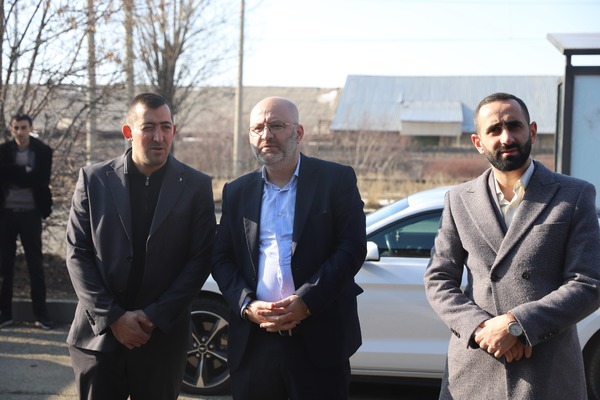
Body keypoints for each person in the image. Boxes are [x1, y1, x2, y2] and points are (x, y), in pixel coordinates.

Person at [424, 92, 600, 399]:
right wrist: (481, 328)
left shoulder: (573, 195)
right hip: (476, 368)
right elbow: (438, 279)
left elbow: (588, 282)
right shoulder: (458, 200)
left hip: (547, 370)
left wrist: (517, 325)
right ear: (478, 142)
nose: (506, 137)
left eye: (514, 126)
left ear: (532, 131)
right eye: (494, 130)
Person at [212, 96, 366, 400]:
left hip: (319, 339)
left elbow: (351, 248)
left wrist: (306, 300)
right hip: (255, 342)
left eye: (277, 126)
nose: (266, 135)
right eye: (257, 128)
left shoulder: (336, 180)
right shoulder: (236, 191)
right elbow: (221, 258)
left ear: (298, 132)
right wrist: (246, 305)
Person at [65, 93, 216, 400]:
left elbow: (200, 260)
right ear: (128, 131)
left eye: (166, 127)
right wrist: (113, 318)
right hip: (99, 340)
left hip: (161, 340)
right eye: (148, 127)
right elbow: (77, 254)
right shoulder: (94, 180)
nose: (159, 137)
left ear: (173, 130)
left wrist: (154, 317)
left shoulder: (197, 186)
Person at [0, 114, 54, 329]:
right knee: (4, 265)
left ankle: (41, 315)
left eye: (24, 127)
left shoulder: (42, 151)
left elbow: (42, 179)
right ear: (11, 129)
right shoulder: (3, 151)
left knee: (35, 265)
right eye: (16, 128)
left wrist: (13, 173)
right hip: (6, 213)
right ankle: (4, 314)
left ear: (31, 128)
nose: (20, 132)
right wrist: (25, 172)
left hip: (31, 213)